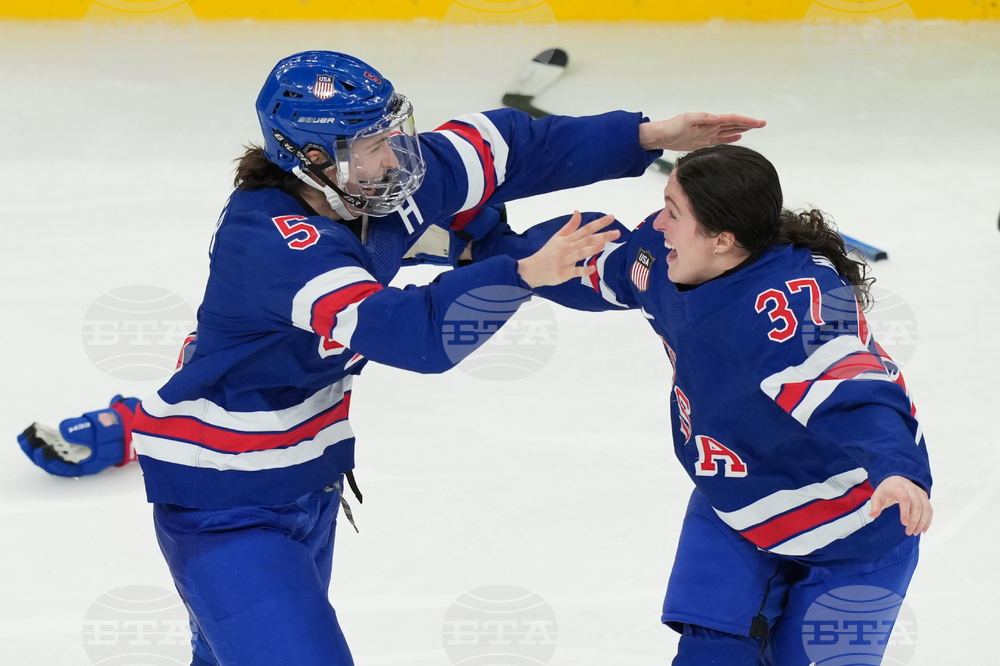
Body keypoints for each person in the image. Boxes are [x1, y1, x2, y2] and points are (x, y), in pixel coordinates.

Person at [17, 50, 765, 666]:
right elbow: (411, 335)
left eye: (392, 132)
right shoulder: (273, 243)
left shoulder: (372, 183)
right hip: (226, 507)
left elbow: (507, 145)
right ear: (314, 159)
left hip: (306, 482)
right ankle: (121, 427)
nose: (398, 156)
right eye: (373, 145)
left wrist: (649, 134)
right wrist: (521, 273)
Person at [481, 144, 932, 665]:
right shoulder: (666, 258)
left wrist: (898, 471)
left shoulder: (785, 311)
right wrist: (483, 250)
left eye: (673, 213)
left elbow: (853, 390)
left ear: (722, 240)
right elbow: (590, 265)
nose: (658, 224)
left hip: (857, 520)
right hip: (739, 498)